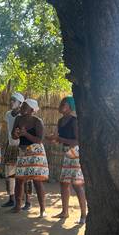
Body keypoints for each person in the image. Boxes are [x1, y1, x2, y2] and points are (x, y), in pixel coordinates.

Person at [46, 96, 87, 224]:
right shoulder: (60, 121)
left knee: (77, 184)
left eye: (64, 103)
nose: (61, 105)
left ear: (70, 107)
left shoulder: (74, 121)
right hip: (67, 153)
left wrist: (59, 140)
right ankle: (65, 212)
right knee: (64, 183)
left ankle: (84, 215)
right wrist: (52, 138)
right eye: (61, 103)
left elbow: (78, 141)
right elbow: (59, 138)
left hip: (75, 153)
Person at [11, 99, 49, 218]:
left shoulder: (37, 121)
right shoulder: (18, 119)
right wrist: (16, 134)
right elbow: (13, 135)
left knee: (37, 181)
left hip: (35, 152)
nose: (21, 108)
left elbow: (39, 140)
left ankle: (43, 209)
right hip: (22, 151)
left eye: (24, 107)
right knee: (19, 179)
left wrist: (25, 134)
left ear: (32, 110)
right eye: (22, 106)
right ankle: (17, 205)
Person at [2, 92, 32, 209]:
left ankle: (28, 201)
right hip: (11, 146)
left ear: (20, 104)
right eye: (11, 100)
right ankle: (11, 198)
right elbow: (9, 132)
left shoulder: (25, 116)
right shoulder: (8, 114)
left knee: (26, 175)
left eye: (14, 100)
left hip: (23, 147)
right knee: (10, 174)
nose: (11, 102)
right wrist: (7, 145)